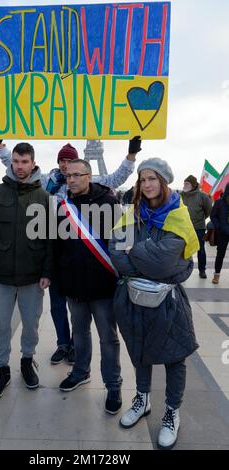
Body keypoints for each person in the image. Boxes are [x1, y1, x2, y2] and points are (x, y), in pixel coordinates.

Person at [0, 125, 141, 365]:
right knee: (57, 306)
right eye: (62, 161)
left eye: (70, 161)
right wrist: (0, 146)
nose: (66, 166)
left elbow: (116, 178)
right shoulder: (47, 181)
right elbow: (16, 167)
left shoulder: (86, 180)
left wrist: (131, 156)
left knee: (78, 314)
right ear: (58, 164)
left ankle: (77, 351)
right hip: (55, 253)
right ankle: (63, 344)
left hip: (80, 252)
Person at [109, 158, 199, 449]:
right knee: (140, 350)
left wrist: (134, 248)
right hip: (135, 299)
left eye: (153, 178)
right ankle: (143, 398)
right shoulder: (131, 213)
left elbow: (163, 264)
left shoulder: (179, 216)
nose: (147, 184)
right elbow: (116, 253)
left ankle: (172, 412)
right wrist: (148, 258)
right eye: (142, 179)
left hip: (168, 302)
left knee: (175, 357)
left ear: (164, 181)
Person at [0, 142, 53, 401]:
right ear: (12, 163)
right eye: (16, 162)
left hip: (33, 278)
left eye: (25, 162)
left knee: (31, 326)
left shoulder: (43, 197)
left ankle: (26, 361)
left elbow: (49, 239)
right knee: (0, 326)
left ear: (33, 163)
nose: (20, 167)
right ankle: (2, 370)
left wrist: (47, 271)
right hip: (1, 276)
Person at [56, 158, 123, 415]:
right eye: (68, 176)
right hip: (74, 285)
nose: (71, 180)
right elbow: (57, 245)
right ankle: (81, 371)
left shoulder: (109, 203)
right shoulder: (64, 206)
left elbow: (120, 244)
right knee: (80, 333)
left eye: (76, 175)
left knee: (108, 337)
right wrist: (57, 276)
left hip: (103, 285)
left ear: (89, 175)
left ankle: (113, 385)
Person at [181, 175, 212, 278]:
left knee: (201, 250)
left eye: (187, 184)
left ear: (193, 185)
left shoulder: (203, 196)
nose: (185, 185)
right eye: (184, 183)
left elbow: (208, 211)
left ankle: (202, 270)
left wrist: (200, 220)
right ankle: (182, 270)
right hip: (183, 228)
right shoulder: (181, 195)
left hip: (198, 228)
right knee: (182, 249)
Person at [210, 183, 229, 284]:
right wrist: (219, 226)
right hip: (222, 233)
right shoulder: (219, 202)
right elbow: (213, 215)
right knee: (220, 255)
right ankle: (216, 275)